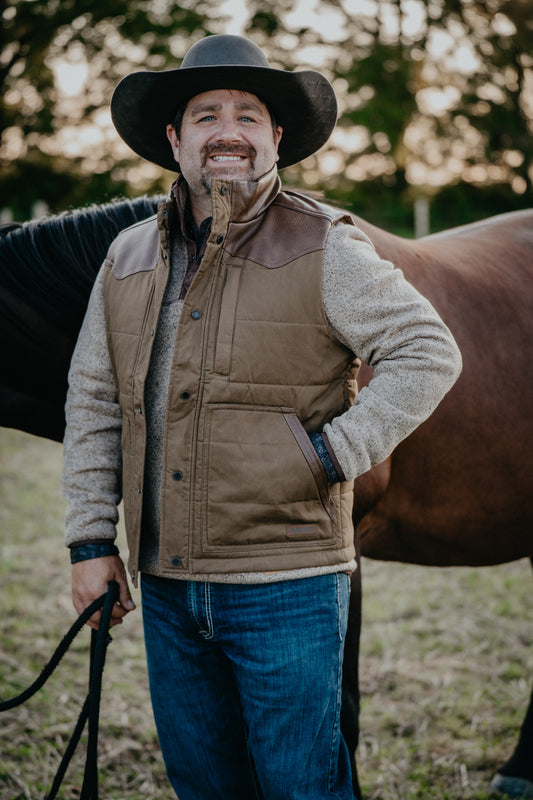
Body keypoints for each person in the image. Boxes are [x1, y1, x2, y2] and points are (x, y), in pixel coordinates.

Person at [62, 33, 462, 800]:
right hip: (168, 585)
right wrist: (89, 540)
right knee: (204, 785)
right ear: (175, 139)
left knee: (300, 786)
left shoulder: (326, 248)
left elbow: (426, 352)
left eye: (248, 115)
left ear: (275, 138)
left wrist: (327, 455)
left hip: (290, 586)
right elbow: (94, 400)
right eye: (206, 114)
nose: (227, 131)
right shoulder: (125, 257)